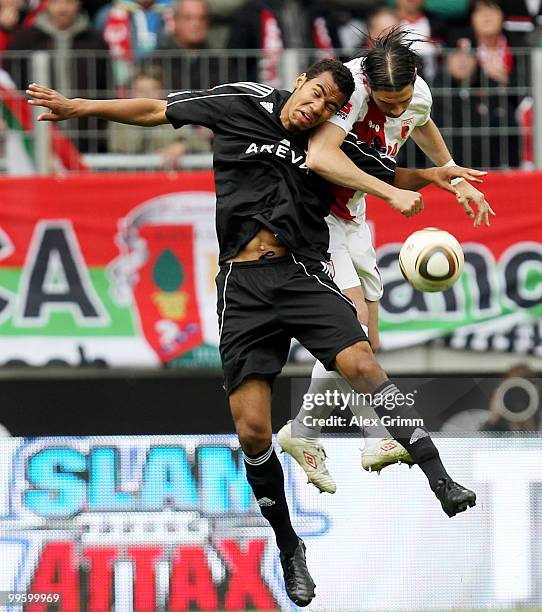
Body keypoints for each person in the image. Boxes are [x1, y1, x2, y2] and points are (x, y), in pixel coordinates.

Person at [27, 59, 478, 607]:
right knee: (253, 432)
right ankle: (290, 548)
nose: (316, 109)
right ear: (299, 83)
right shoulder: (241, 103)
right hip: (242, 285)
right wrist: (81, 108)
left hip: (303, 274)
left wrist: (434, 175)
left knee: (362, 362)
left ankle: (440, 478)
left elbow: (386, 173)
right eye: (313, 95)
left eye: (330, 107)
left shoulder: (325, 143)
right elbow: (155, 109)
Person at [278, 28, 495, 493]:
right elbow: (319, 156)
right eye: (387, 102)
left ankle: (306, 431)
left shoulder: (414, 93)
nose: (395, 110)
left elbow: (420, 121)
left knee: (368, 340)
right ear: (370, 86)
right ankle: (359, 434)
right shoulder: (351, 89)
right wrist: (394, 191)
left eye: (402, 99)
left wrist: (453, 178)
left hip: (352, 213)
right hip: (316, 214)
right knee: (351, 331)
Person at [149, 0, 221, 91]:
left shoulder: (220, 61)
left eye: (202, 18)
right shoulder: (158, 59)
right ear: (175, 20)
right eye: (188, 18)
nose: (196, 24)